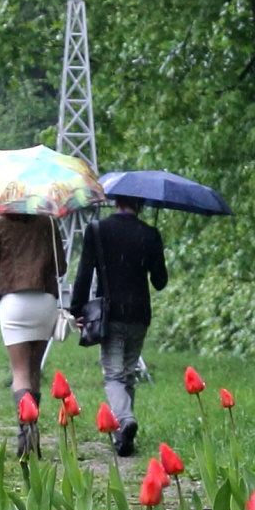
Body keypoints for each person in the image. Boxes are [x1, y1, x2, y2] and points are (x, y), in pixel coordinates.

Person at [67, 194, 168, 458]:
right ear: (141, 204)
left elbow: (84, 273)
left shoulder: (98, 230)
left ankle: (124, 420)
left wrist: (77, 309)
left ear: (115, 201)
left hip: (109, 313)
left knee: (113, 375)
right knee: (127, 373)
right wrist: (153, 248)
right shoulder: (150, 234)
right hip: (139, 313)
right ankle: (123, 439)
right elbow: (160, 281)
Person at [0, 209, 63, 456]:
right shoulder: (48, 223)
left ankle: (25, 433)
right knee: (33, 370)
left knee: (20, 372)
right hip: (45, 302)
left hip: (14, 303)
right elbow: (61, 267)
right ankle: (34, 431)